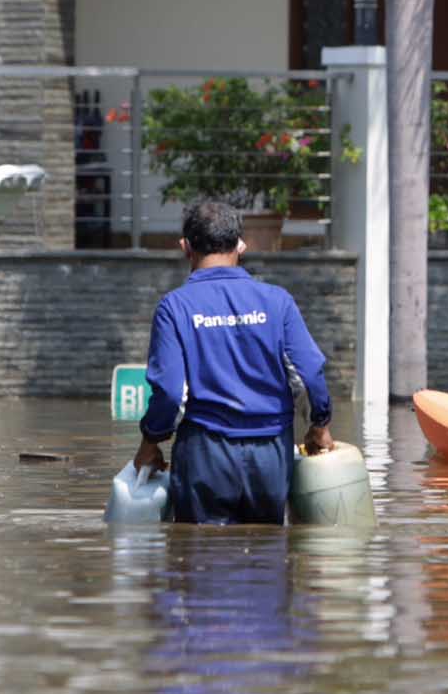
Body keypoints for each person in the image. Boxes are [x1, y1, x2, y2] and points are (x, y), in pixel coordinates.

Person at [133, 200, 335, 524]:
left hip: (205, 455)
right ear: (241, 246)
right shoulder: (277, 301)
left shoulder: (174, 308)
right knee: (266, 559)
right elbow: (308, 372)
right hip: (271, 455)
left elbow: (171, 394)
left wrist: (151, 441)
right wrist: (320, 425)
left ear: (186, 248)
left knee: (201, 559)